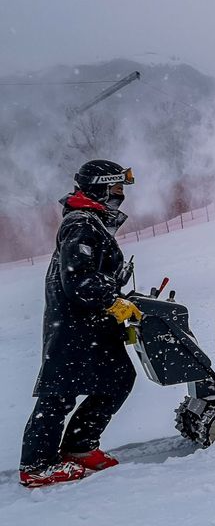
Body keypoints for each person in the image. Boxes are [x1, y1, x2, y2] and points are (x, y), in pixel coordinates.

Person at [20, 159, 139, 488]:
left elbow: (93, 273)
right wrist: (112, 300)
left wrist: (119, 289)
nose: (120, 195)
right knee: (59, 393)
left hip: (93, 323)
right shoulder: (81, 223)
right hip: (74, 325)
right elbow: (77, 279)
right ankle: (36, 465)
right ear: (101, 187)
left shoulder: (92, 221)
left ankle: (79, 446)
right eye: (116, 188)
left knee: (118, 378)